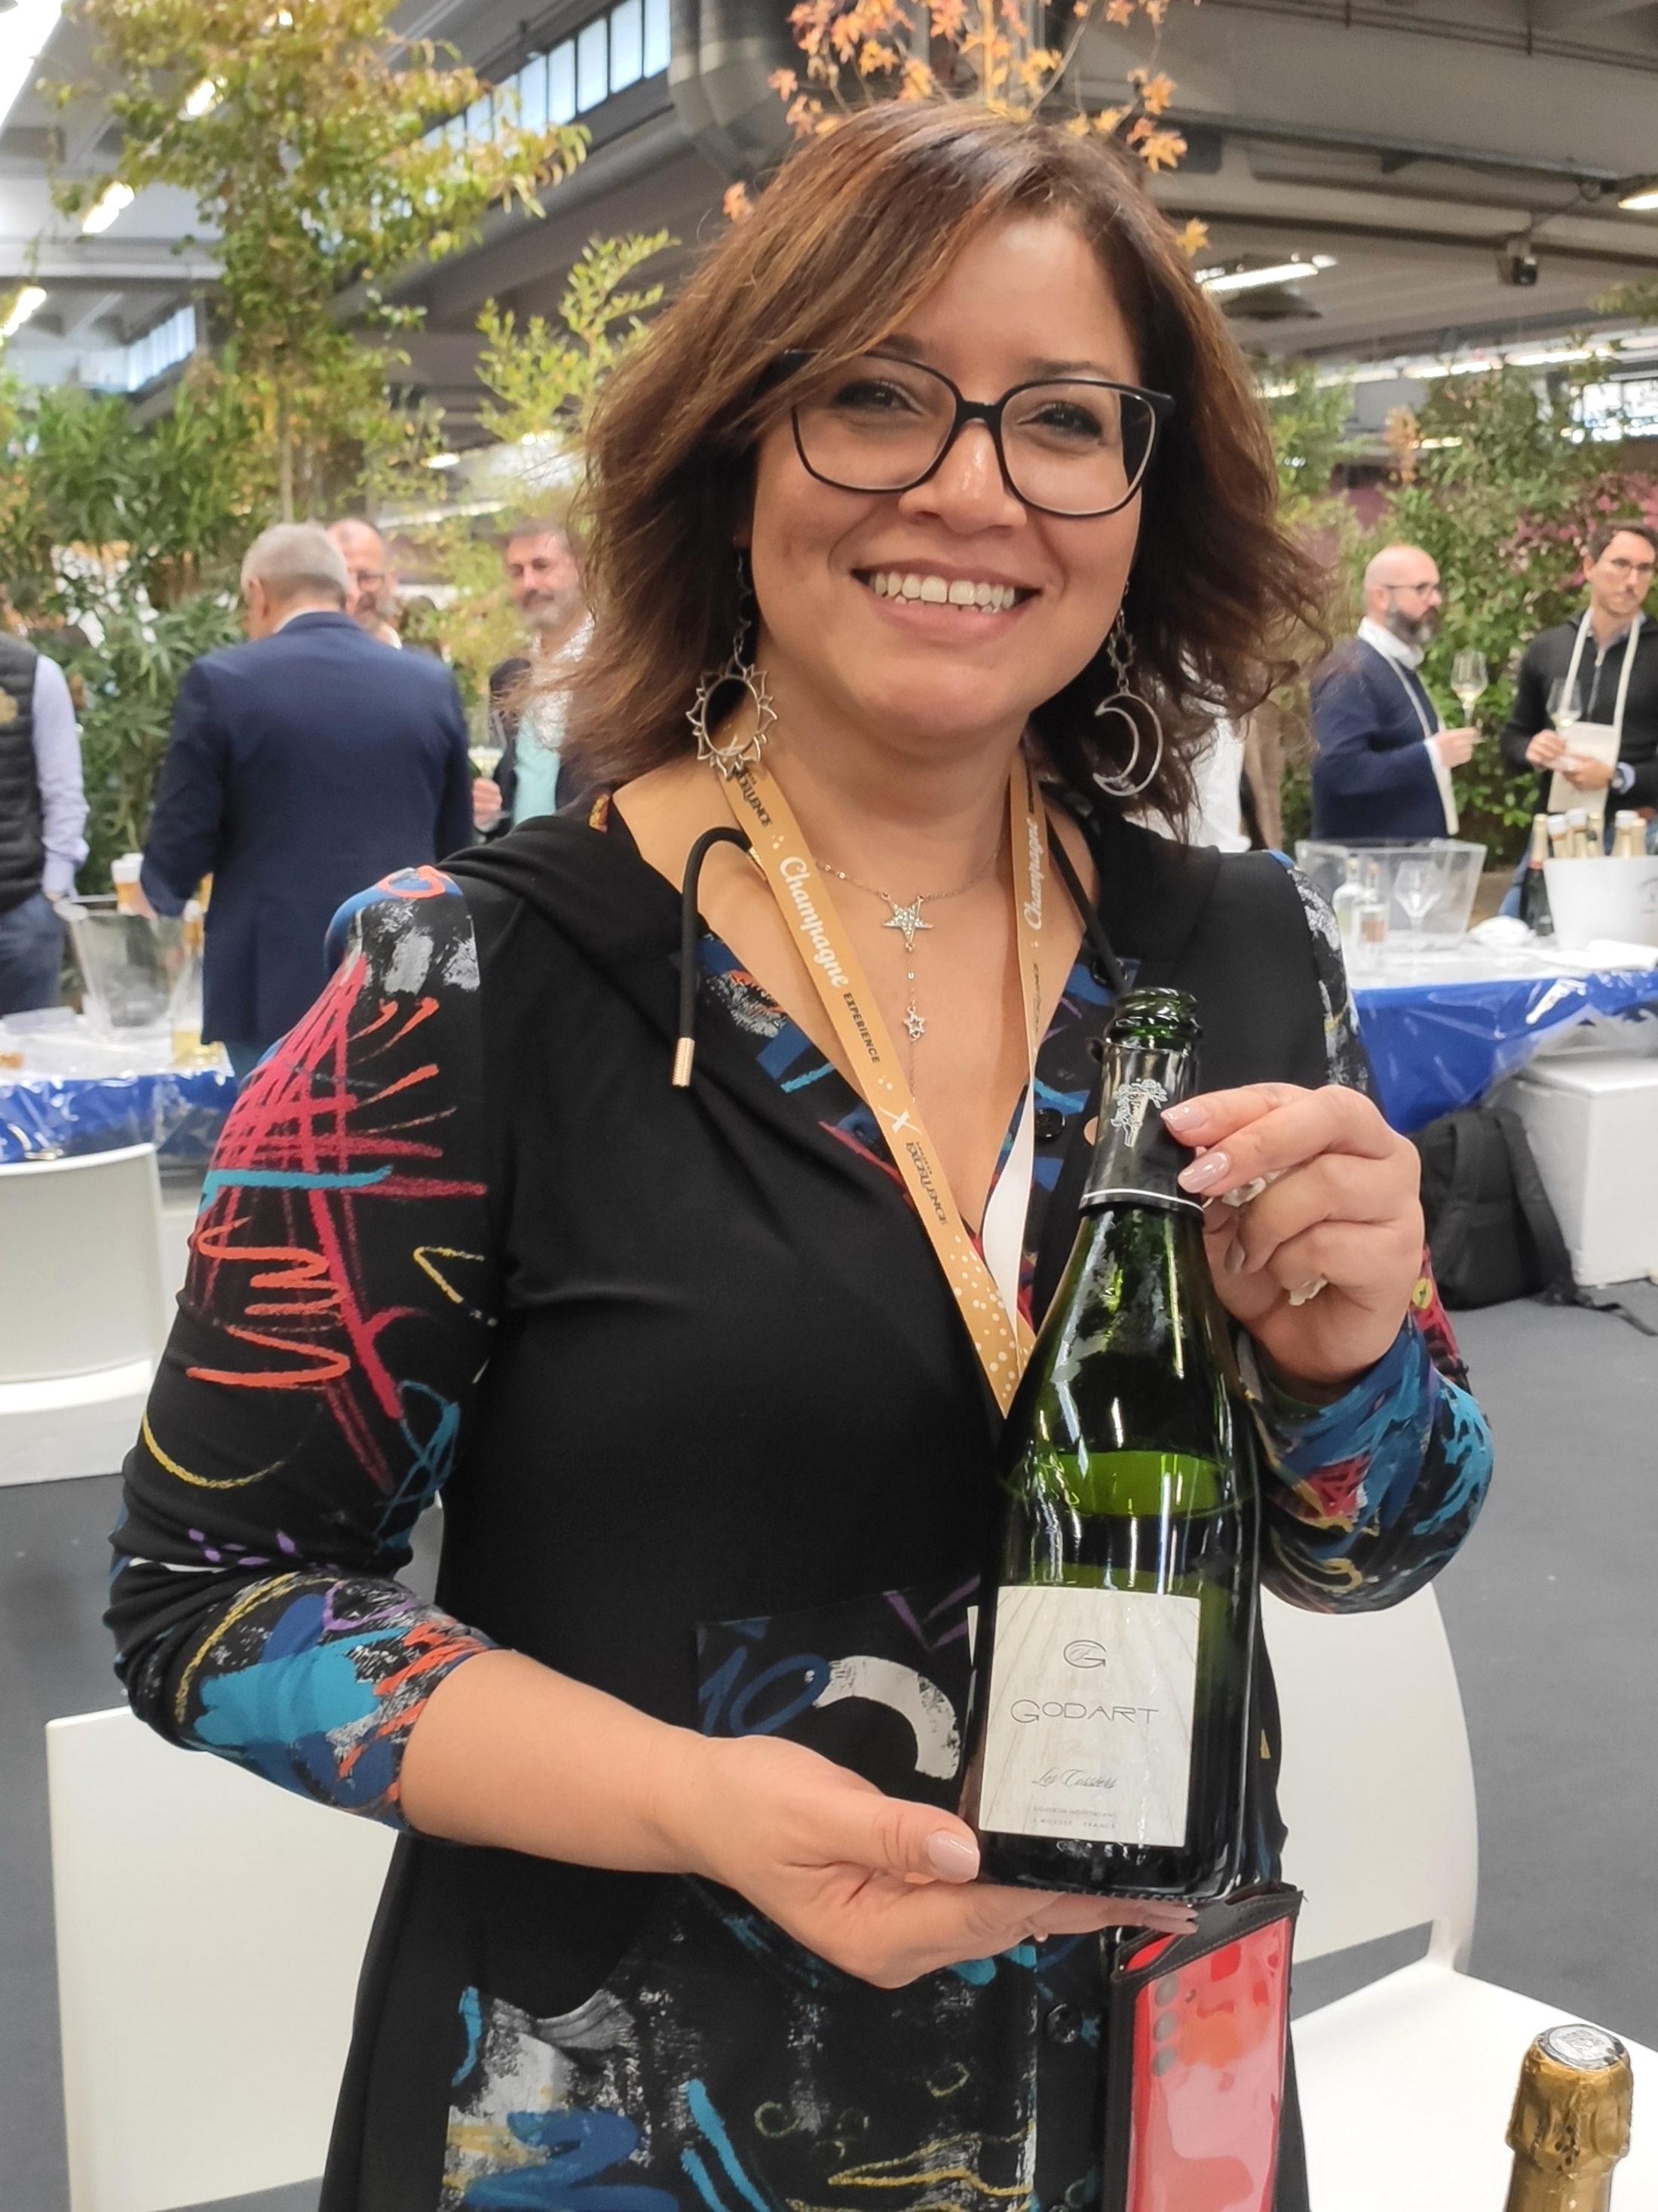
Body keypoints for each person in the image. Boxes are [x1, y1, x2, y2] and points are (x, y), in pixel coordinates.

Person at [110, 110, 1492, 2212]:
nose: (971, 487)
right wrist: (692, 1797)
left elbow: (1368, 1546)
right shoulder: (471, 975)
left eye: (1063, 420)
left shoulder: (1232, 952)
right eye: (874, 395)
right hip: (632, 2106)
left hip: (1138, 2089)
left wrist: (1346, 1354)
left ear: (1145, 497)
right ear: (736, 450)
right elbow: (206, 1600)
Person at [138, 522, 472, 1077]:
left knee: (277, 1131)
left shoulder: (224, 683)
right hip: (405, 977)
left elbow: (184, 835)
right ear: (344, 592)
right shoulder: (429, 684)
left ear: (258, 593)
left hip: (270, 985)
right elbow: (456, 845)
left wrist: (159, 896)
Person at [1498, 519, 1658, 835]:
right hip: (1557, 830)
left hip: (1636, 834)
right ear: (1589, 567)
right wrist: (1531, 750)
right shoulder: (1549, 648)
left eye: (1644, 569)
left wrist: (1616, 777)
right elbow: (1513, 739)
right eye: (1620, 564)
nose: (1632, 580)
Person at [1309, 545, 1478, 841]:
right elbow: (1341, 771)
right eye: (1422, 589)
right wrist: (1432, 754)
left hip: (1408, 859)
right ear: (1381, 597)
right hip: (1370, 863)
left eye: (1436, 589)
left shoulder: (1393, 664)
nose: (1435, 600)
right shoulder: (1351, 671)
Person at [473, 519, 588, 832]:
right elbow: (510, 789)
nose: (529, 583)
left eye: (541, 566)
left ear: (582, 568)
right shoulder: (509, 677)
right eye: (517, 572)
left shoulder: (618, 668)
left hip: (592, 858)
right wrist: (486, 813)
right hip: (520, 858)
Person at [0, 629, 87, 1017]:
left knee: (27, 1049)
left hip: (20, 910)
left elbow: (64, 793)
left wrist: (52, 892)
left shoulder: (32, 673)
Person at [326, 516, 401, 639]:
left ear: (391, 582)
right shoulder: (296, 650)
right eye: (339, 578)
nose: (353, 593)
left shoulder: (414, 652)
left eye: (367, 577)